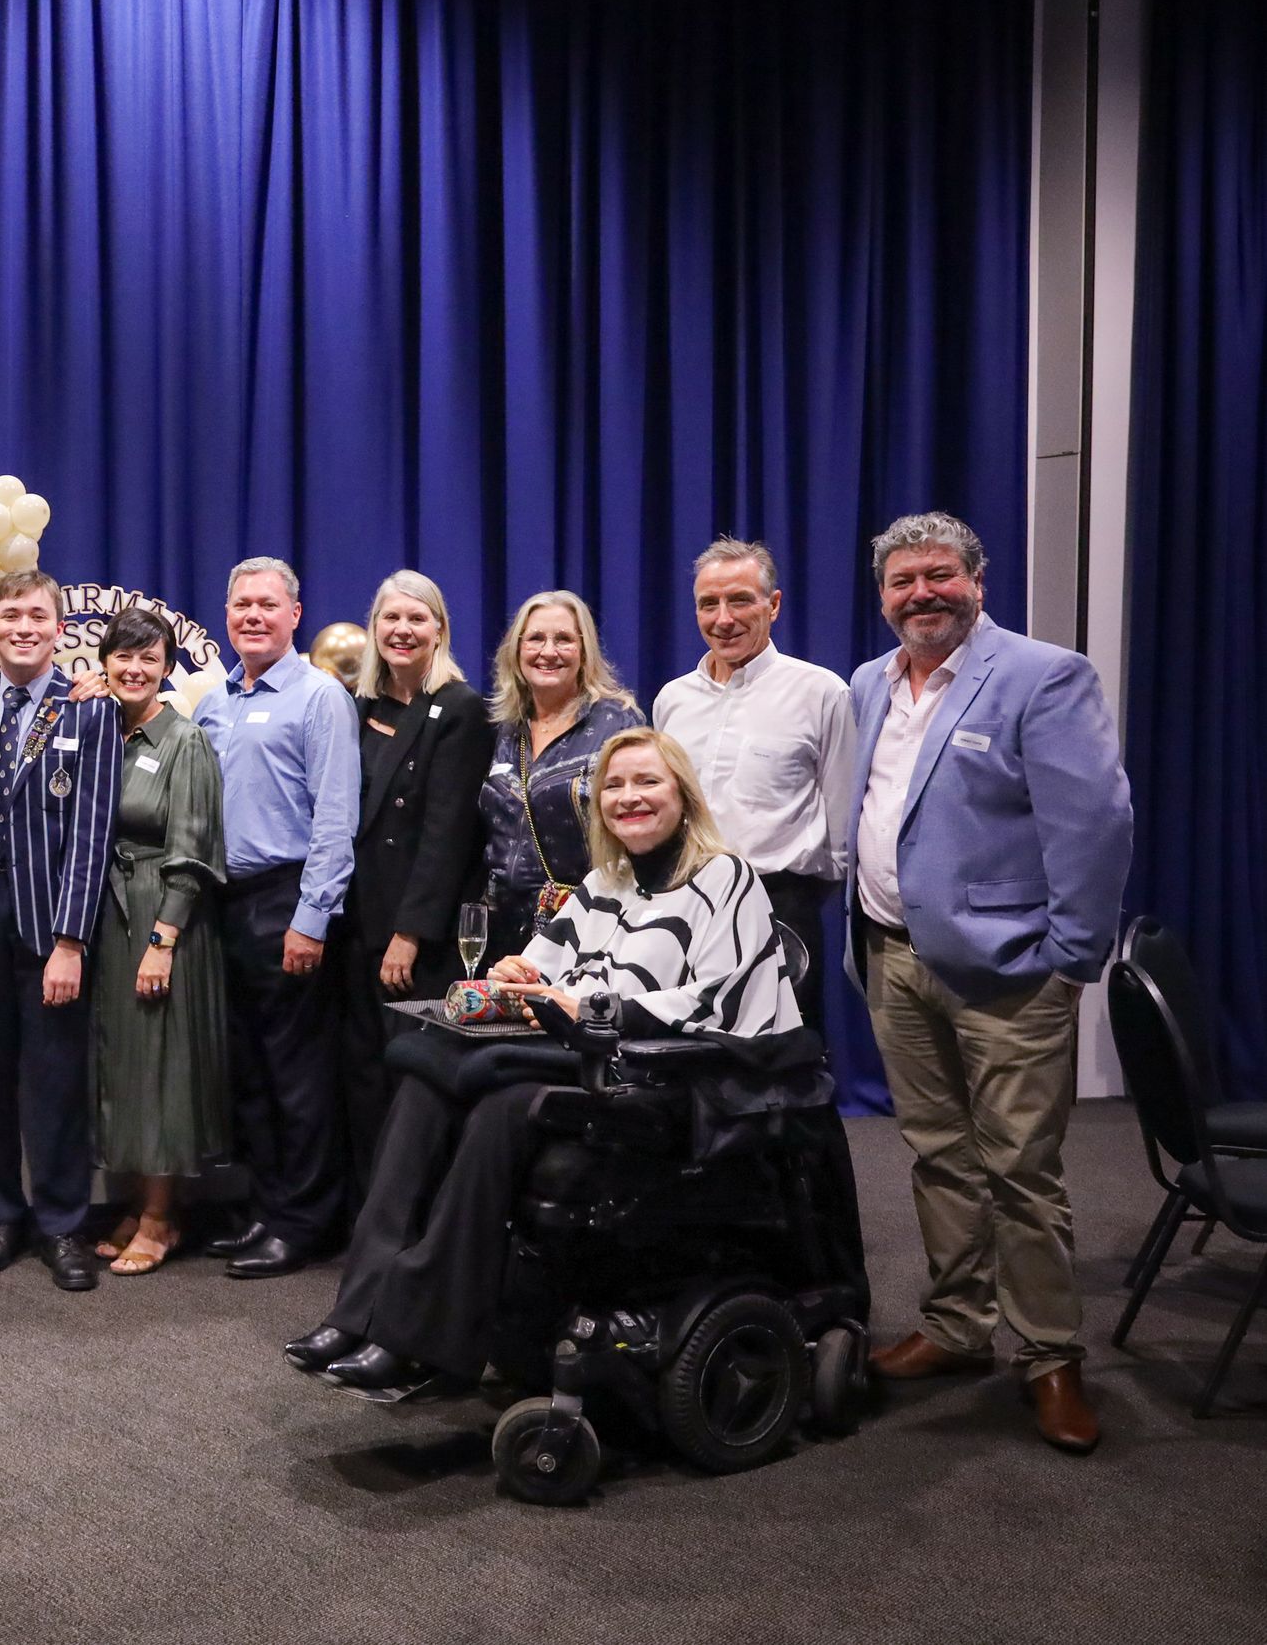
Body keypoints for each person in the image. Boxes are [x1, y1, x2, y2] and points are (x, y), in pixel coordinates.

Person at [288, 728, 802, 1394]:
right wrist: (518, 974)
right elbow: (545, 965)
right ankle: (358, 1312)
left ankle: (414, 1338)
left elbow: (722, 998)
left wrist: (591, 1005)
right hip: (574, 1055)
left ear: (683, 794)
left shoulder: (723, 877)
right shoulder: (604, 880)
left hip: (658, 1077)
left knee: (499, 1110)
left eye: (647, 781)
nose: (629, 797)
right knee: (424, 1083)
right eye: (614, 785)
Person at [846, 511, 1132, 1454]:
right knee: (936, 1153)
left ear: (978, 580)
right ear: (882, 597)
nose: (921, 593)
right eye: (902, 581)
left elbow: (1095, 824)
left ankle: (1049, 1354)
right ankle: (957, 1323)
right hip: (893, 957)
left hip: (1011, 974)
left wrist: (1071, 961)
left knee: (1021, 1170)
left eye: (939, 575)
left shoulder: (1042, 675)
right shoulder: (869, 683)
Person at [0, 569, 122, 1290]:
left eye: (38, 616)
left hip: (47, 919)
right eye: (10, 616)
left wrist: (71, 941)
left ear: (60, 629)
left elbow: (93, 834)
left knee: (54, 1078)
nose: (24, 628)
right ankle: (0, 1215)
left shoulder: (88, 711)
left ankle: (63, 1223)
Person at [193, 558, 361, 1279]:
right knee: (250, 1073)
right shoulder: (213, 702)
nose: (253, 615)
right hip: (223, 903)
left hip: (287, 899)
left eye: (267, 604)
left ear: (295, 614)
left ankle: (305, 1223)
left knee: (298, 1076)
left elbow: (336, 816)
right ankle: (265, 1209)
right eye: (241, 604)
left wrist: (312, 917)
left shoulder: (320, 697)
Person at [653, 539, 854, 1027]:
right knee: (685, 1051)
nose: (723, 619)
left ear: (774, 605)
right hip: (683, 905)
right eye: (709, 604)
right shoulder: (672, 700)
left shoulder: (821, 692)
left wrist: (796, 898)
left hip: (779, 906)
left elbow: (845, 827)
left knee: (782, 1055)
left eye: (740, 600)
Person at [339, 570, 493, 1181]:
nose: (402, 630)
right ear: (374, 628)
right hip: (354, 921)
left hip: (414, 936)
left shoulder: (460, 709)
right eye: (391, 618)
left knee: (410, 1073)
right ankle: (365, 1213)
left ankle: (412, 1210)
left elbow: (447, 835)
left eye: (416, 618)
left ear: (439, 630)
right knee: (359, 1074)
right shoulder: (357, 707)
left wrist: (409, 933)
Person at [88, 608, 228, 1275]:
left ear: (168, 667)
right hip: (109, 916)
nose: (135, 669)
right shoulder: (101, 732)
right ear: (104, 663)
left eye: (149, 658)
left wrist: (163, 939)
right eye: (123, 656)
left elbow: (193, 850)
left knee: (163, 1064)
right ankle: (137, 1200)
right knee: (125, 1064)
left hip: (162, 917)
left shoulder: (184, 740)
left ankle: (161, 1217)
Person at [477, 591, 647, 970]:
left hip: (586, 926)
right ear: (516, 651)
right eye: (536, 638)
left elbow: (642, 833)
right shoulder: (503, 728)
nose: (548, 651)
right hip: (501, 931)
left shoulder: (617, 723)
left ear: (584, 653)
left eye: (564, 639)